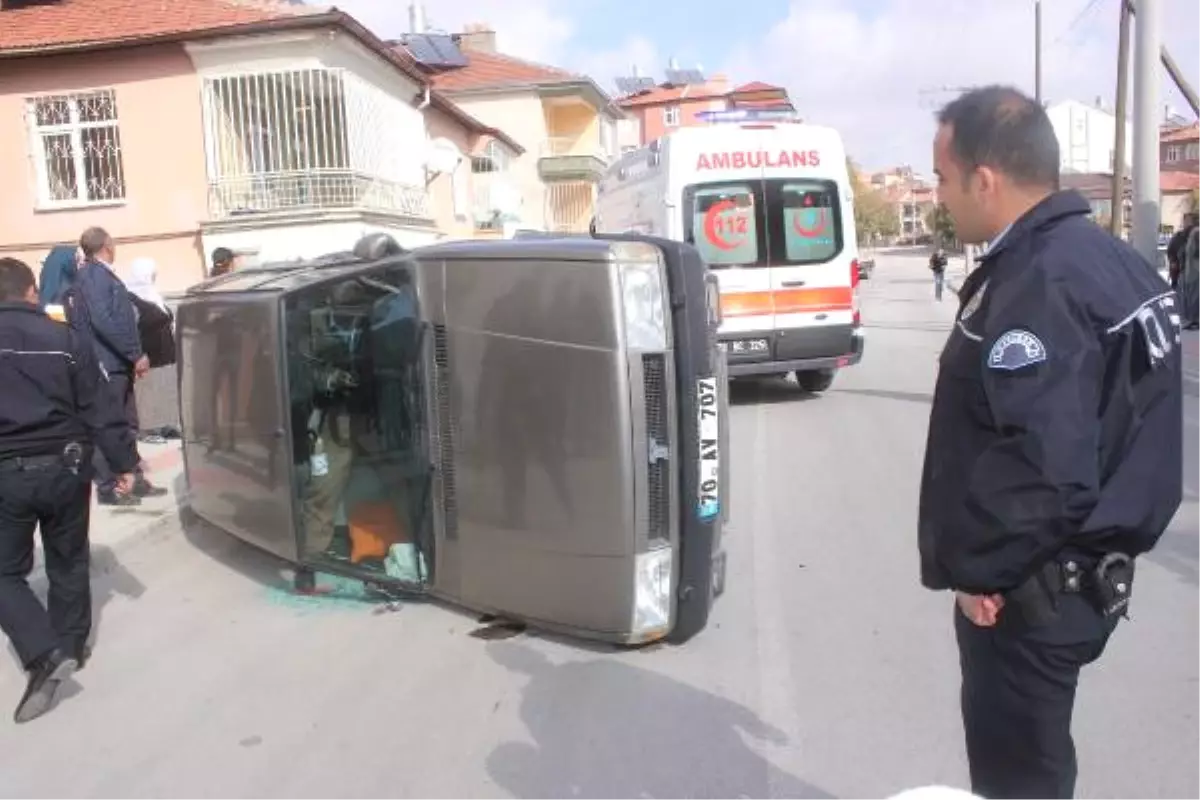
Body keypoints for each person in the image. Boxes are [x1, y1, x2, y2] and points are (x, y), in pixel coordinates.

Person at [919, 85, 1182, 800]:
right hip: (1084, 577)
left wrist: (981, 573)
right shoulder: (1108, 258)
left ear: (984, 178)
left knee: (1019, 782)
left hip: (1031, 592)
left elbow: (1045, 468)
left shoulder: (1041, 281)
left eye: (942, 179)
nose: (940, 197)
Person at [0, 257, 137, 723]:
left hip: (8, 475)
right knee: (68, 559)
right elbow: (99, 406)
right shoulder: (65, 338)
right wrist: (123, 463)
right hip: (68, 466)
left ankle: (44, 652)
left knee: (3, 572)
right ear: (32, 292)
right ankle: (70, 646)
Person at [70, 228, 165, 505]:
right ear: (106, 246)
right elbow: (104, 320)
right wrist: (134, 353)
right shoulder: (92, 275)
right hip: (106, 365)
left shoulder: (101, 273)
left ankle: (134, 480)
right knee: (106, 427)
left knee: (125, 425)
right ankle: (110, 487)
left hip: (116, 363)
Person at [126, 257, 176, 369]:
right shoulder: (131, 300)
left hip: (168, 361)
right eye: (152, 274)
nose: (154, 277)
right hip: (149, 365)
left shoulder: (154, 296)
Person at [1166, 212, 1196, 292]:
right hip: (1178, 272)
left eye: (1190, 221)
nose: (1188, 223)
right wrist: (1173, 261)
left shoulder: (1196, 236)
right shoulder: (1178, 237)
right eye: (1186, 221)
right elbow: (1171, 251)